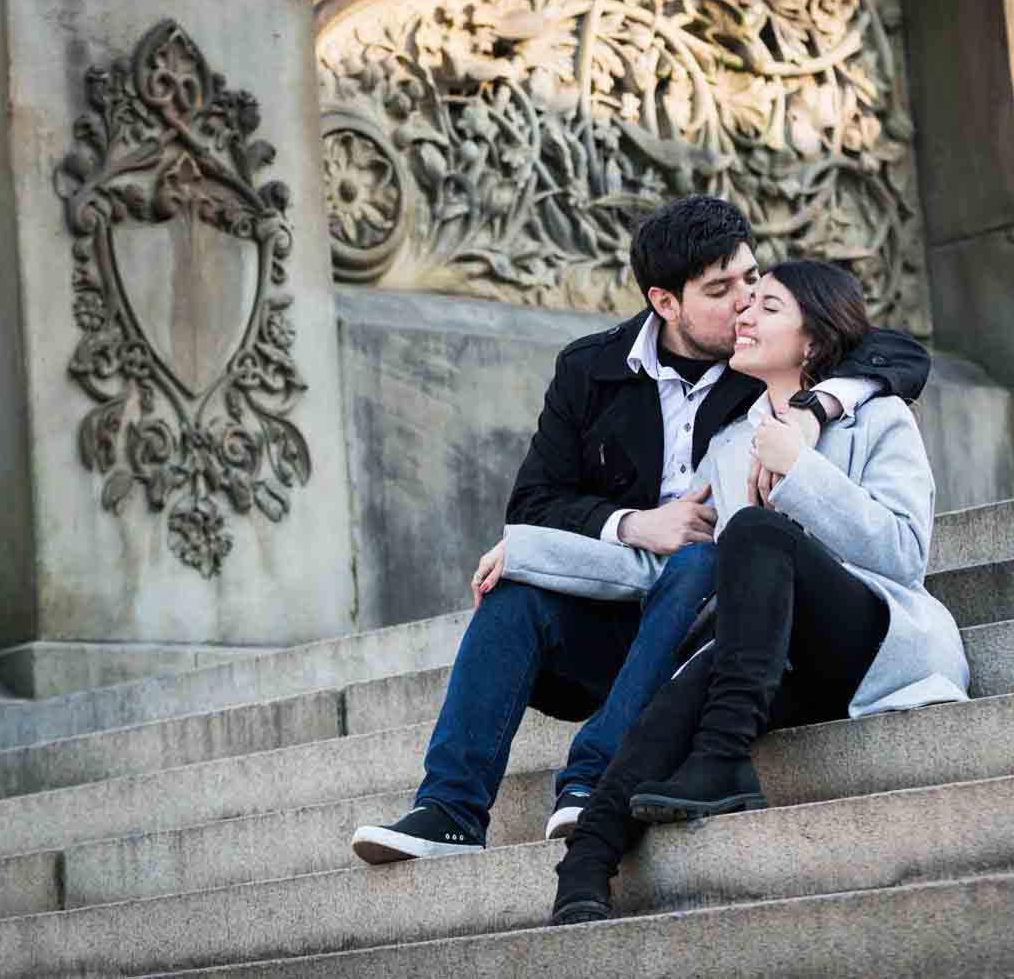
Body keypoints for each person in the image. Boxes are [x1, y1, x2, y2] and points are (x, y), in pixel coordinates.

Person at [350, 199, 931, 863]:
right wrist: (636, 524)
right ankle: (449, 810)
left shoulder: (758, 373)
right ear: (665, 301)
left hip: (711, 624)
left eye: (750, 279)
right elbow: (534, 501)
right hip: (615, 614)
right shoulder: (589, 370)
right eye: (720, 290)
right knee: (514, 593)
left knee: (700, 558)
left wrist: (813, 408)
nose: (745, 303)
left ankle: (593, 779)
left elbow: (892, 349)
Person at [546, 260, 970, 926]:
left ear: (812, 339)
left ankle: (720, 757)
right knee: (685, 685)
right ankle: (586, 862)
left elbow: (904, 556)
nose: (744, 314)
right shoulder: (728, 442)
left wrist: (798, 467)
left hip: (873, 637)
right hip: (775, 655)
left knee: (754, 536)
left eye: (768, 307)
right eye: (746, 305)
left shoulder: (879, 415)